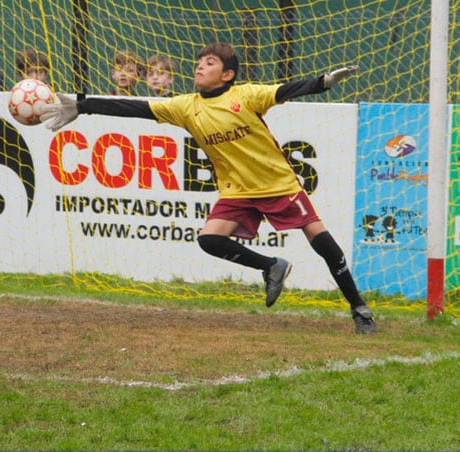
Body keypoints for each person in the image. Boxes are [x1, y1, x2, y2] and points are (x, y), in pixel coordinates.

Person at [40, 42, 377, 334]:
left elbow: (285, 90)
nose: (200, 66)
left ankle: (359, 308)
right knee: (209, 239)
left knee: (321, 240)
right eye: (199, 62)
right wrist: (83, 105)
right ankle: (270, 266)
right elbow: (136, 108)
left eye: (210, 62)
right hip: (236, 190)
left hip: (277, 183)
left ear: (228, 75)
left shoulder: (246, 95)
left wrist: (323, 82)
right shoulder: (187, 106)